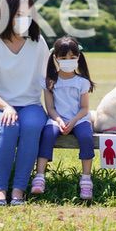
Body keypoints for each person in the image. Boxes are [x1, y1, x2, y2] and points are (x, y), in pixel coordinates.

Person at [0, 0, 49, 207]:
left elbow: (47, 83)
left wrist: (55, 113)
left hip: (30, 106)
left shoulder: (38, 43)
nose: (25, 20)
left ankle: (18, 190)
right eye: (19, 15)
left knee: (31, 126)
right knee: (9, 126)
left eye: (28, 15)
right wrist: (6, 107)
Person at [30, 37, 96, 200]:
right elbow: (50, 108)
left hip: (79, 119)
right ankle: (39, 176)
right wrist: (59, 121)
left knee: (86, 137)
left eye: (72, 57)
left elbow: (84, 108)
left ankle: (86, 179)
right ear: (56, 58)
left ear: (78, 57)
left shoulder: (82, 82)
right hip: (56, 118)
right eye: (63, 57)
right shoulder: (49, 81)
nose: (68, 61)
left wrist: (72, 122)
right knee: (47, 135)